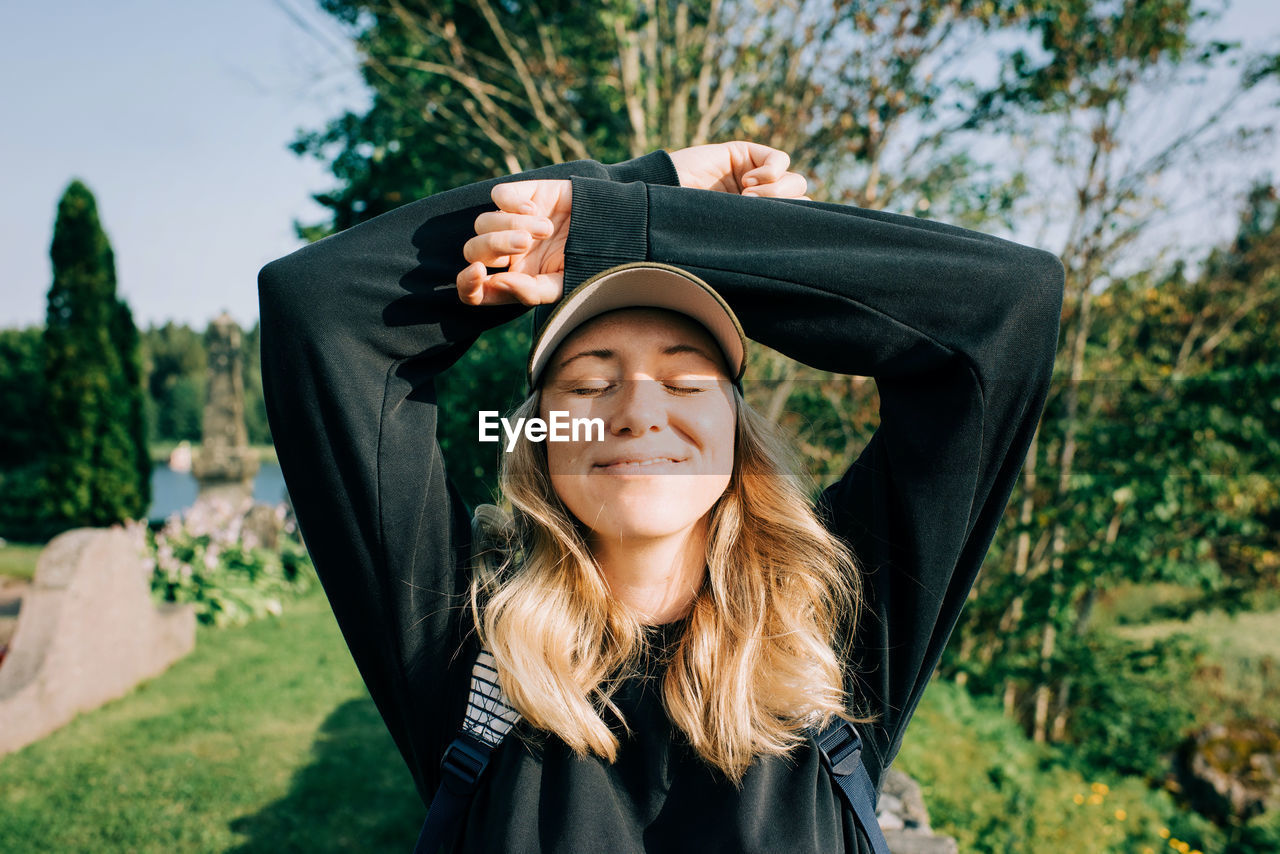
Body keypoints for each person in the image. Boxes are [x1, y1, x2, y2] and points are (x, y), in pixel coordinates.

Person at [257, 142, 1064, 852]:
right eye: (588, 384)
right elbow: (318, 308)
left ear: (737, 439)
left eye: (684, 381)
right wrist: (646, 190)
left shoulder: (835, 630)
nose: (637, 412)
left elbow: (1005, 304)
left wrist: (664, 226)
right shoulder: (464, 644)